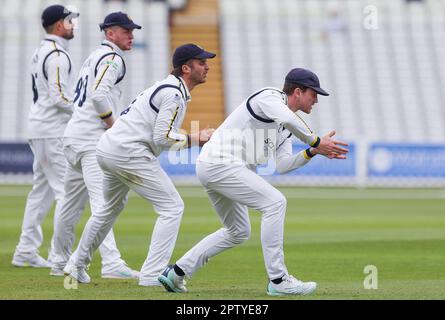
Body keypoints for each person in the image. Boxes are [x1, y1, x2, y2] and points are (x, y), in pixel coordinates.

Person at [158, 68, 349, 296]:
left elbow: (283, 165)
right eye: (313, 94)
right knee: (275, 203)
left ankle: (177, 272)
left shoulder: (286, 129)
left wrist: (312, 151)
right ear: (297, 91)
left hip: (215, 166)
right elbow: (289, 117)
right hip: (221, 163)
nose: (316, 100)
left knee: (238, 231)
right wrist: (317, 139)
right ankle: (278, 280)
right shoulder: (269, 96)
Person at [63, 44, 216, 285]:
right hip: (128, 152)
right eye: (201, 62)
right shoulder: (173, 93)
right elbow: (162, 138)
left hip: (108, 147)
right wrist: (196, 138)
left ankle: (76, 265)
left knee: (107, 210)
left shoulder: (168, 88)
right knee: (172, 206)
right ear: (186, 68)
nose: (207, 67)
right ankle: (152, 274)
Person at [50, 12, 141, 279]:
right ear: (110, 33)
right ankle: (111, 263)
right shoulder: (112, 58)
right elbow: (99, 96)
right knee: (105, 204)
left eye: (132, 31)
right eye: (126, 31)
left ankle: (58, 261)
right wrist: (114, 127)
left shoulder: (95, 55)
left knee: (69, 205)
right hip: (91, 140)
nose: (131, 35)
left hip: (73, 137)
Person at [12, 5, 79, 269]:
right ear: (59, 25)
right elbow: (60, 97)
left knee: (41, 192)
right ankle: (60, 257)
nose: (73, 25)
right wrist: (88, 111)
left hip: (40, 127)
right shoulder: (57, 55)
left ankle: (26, 250)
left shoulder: (43, 50)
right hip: (52, 129)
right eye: (70, 21)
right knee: (67, 193)